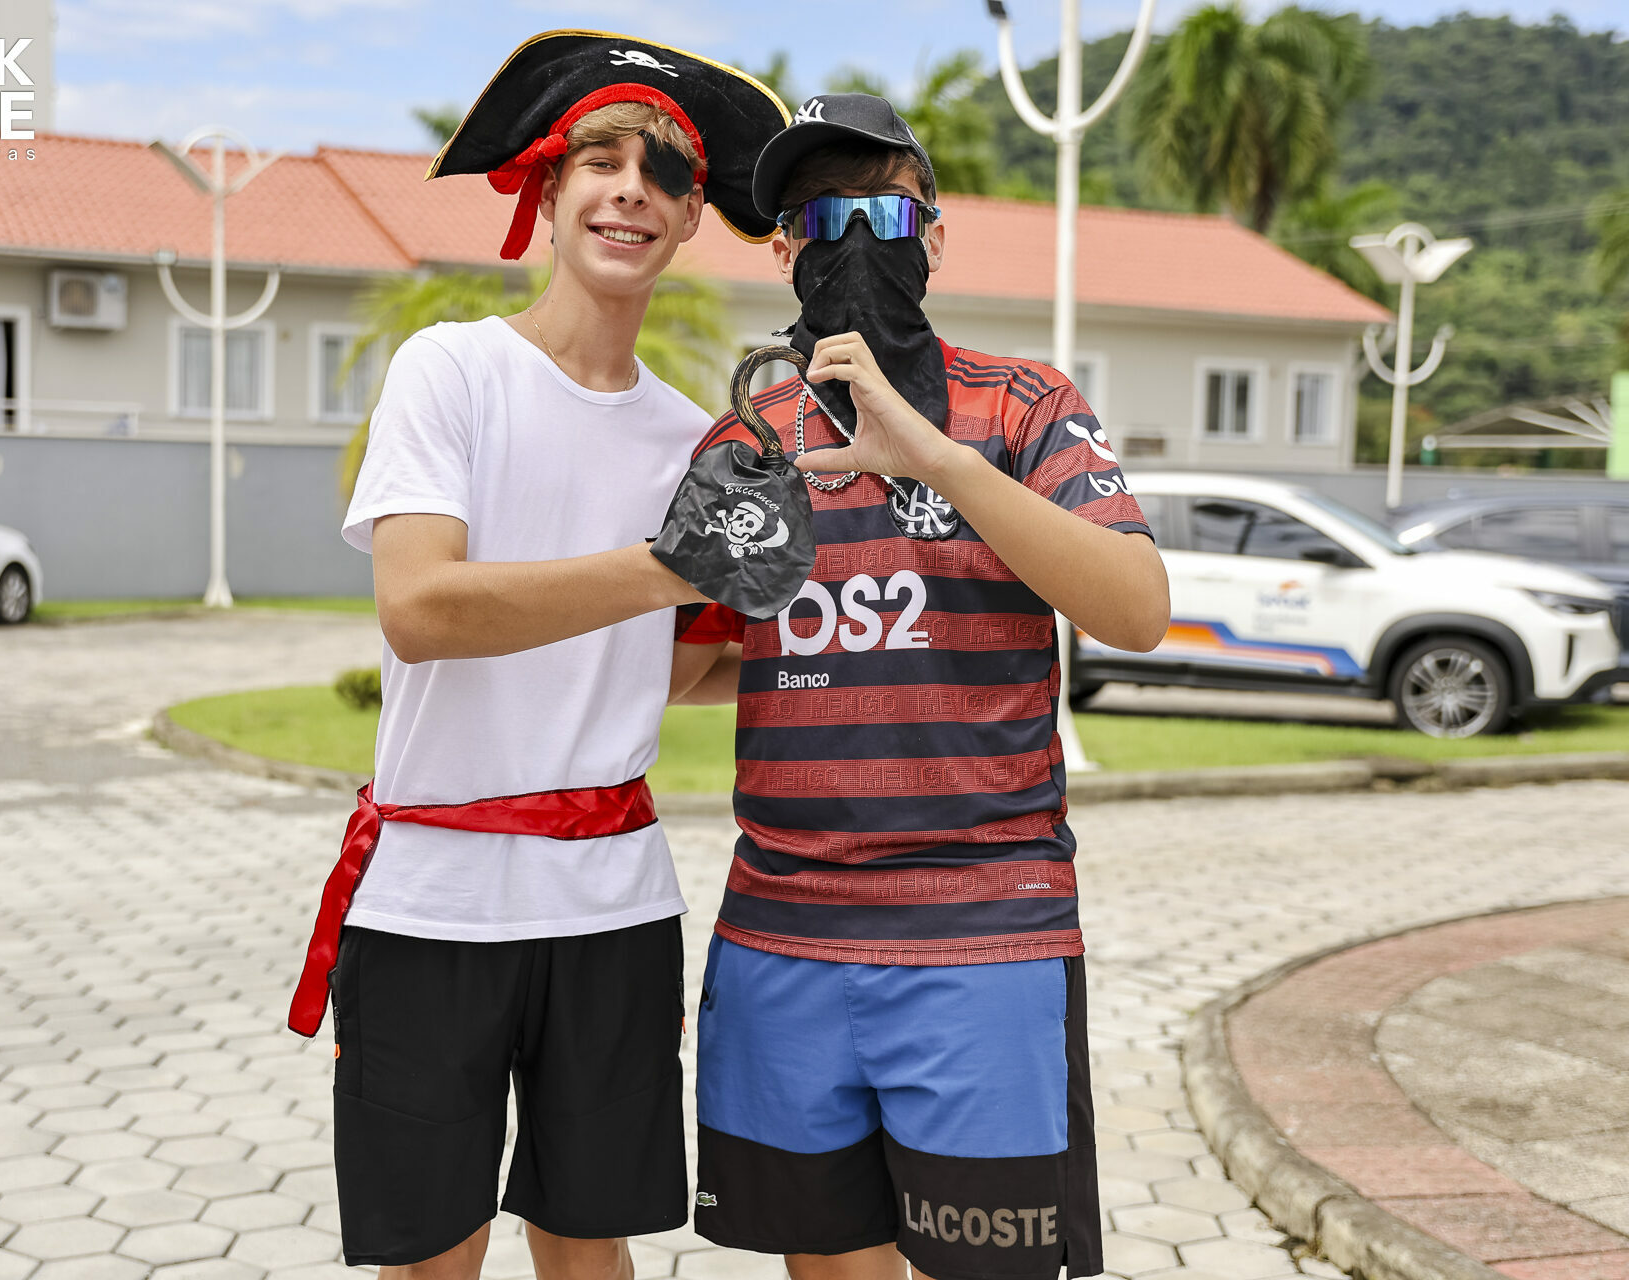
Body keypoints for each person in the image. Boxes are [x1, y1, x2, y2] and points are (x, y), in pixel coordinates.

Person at [284, 33, 786, 1280]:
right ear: (546, 190)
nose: (631, 190)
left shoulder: (693, 440)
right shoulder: (451, 370)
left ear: (690, 219)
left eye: (665, 173)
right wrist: (667, 567)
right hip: (430, 895)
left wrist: (866, 654)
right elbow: (421, 607)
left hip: (614, 903)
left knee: (588, 1243)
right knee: (432, 1254)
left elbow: (664, 671)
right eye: (600, 161)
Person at [673, 94, 1171, 1280]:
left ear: (934, 237)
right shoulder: (745, 438)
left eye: (884, 212)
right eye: (818, 218)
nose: (852, 239)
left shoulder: (1024, 405)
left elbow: (1137, 608)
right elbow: (687, 665)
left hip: (983, 935)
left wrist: (935, 459)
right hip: (783, 937)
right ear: (782, 253)